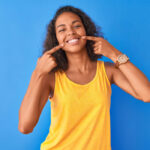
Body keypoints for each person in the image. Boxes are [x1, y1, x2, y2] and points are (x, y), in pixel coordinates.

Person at [18, 5, 150, 150]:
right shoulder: (51, 77)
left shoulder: (107, 71)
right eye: (62, 30)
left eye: (77, 26)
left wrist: (113, 53)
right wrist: (37, 73)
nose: (71, 32)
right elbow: (25, 127)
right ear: (56, 39)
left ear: (86, 30)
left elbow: (147, 94)